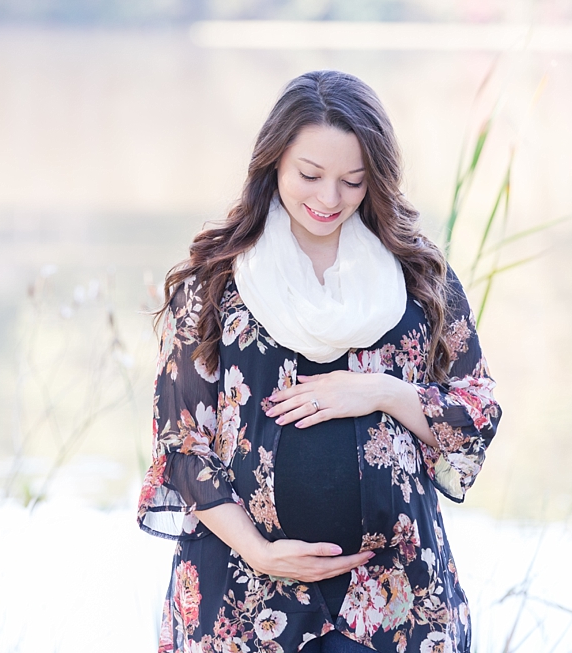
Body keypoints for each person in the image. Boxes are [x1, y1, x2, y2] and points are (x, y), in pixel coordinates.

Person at [137, 70, 502, 653]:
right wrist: (259, 551)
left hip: (394, 599)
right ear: (274, 161)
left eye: (352, 182)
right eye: (310, 175)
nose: (329, 199)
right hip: (241, 593)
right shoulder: (216, 280)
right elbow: (181, 445)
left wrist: (381, 391)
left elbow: (476, 410)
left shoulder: (416, 276)